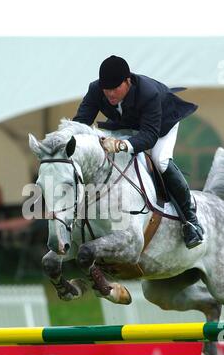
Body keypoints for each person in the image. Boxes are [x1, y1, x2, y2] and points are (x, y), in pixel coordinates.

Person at [73, 55, 204, 249]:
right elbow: (80, 123)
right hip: (127, 125)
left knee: (160, 161)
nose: (109, 94)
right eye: (106, 89)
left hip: (160, 127)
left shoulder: (148, 93)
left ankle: (191, 220)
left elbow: (149, 136)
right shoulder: (95, 89)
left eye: (115, 87)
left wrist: (121, 146)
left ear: (128, 81)